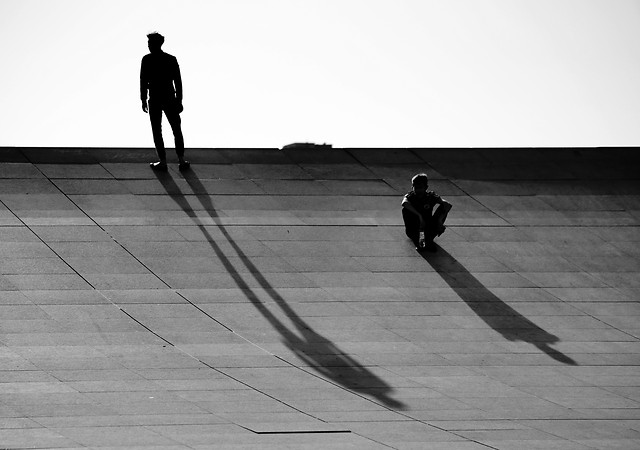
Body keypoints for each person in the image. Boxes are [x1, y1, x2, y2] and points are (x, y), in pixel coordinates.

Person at [140, 32, 190, 171]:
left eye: (150, 43)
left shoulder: (148, 59)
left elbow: (143, 80)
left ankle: (165, 161)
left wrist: (143, 99)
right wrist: (179, 100)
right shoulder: (170, 59)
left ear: (157, 44)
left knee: (161, 130)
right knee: (174, 129)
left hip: (158, 98)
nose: (149, 46)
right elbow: (178, 82)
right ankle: (179, 160)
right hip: (166, 97)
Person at [401, 173, 452, 252]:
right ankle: (421, 241)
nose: (418, 190)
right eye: (416, 188)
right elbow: (404, 203)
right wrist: (420, 216)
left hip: (428, 226)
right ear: (412, 188)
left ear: (426, 188)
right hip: (415, 228)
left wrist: (439, 221)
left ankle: (428, 239)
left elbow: (447, 205)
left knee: (443, 208)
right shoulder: (410, 196)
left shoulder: (431, 196)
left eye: (421, 188)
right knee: (406, 209)